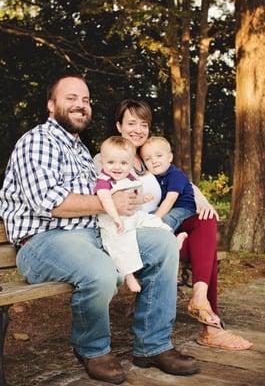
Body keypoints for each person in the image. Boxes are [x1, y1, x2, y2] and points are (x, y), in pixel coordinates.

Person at [0, 74, 201, 385]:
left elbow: (109, 195)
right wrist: (109, 202)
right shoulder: (37, 141)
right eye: (71, 98)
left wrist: (130, 201)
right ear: (51, 105)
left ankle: (153, 345)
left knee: (162, 243)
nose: (81, 105)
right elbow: (49, 203)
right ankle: (93, 349)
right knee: (101, 270)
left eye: (86, 100)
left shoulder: (80, 149)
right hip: (43, 243)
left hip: (93, 235)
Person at [114, 98, 252, 351]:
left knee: (205, 222)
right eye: (131, 123)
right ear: (119, 126)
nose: (137, 129)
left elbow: (182, 185)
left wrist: (203, 201)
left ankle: (200, 299)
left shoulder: (149, 158)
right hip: (135, 239)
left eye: (143, 124)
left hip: (165, 235)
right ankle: (212, 327)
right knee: (206, 254)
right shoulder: (109, 158)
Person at [95, 135, 183, 293]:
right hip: (112, 220)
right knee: (121, 242)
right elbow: (105, 200)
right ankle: (129, 275)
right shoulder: (103, 181)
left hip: (132, 215)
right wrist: (116, 218)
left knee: (152, 220)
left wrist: (143, 199)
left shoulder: (128, 176)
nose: (117, 167)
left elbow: (132, 197)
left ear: (130, 164)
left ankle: (172, 236)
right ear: (102, 162)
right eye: (111, 162)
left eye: (123, 163)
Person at [140, 136, 196, 232]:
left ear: (169, 157)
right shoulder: (154, 177)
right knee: (146, 216)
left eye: (159, 156)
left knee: (166, 220)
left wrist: (155, 218)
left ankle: (175, 240)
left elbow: (170, 199)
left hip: (183, 209)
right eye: (148, 159)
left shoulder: (176, 175)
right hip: (168, 208)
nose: (154, 161)